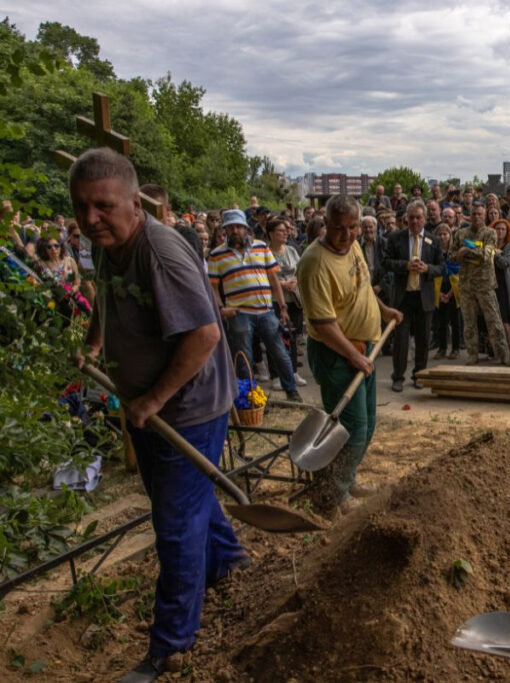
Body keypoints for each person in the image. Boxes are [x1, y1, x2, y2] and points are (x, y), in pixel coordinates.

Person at [69, 149, 245, 683]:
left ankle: (171, 645)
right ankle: (232, 563)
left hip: (187, 408)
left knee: (174, 526)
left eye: (103, 206)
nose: (91, 218)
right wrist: (94, 343)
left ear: (133, 200)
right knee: (186, 502)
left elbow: (205, 334)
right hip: (147, 405)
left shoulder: (160, 252)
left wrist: (152, 400)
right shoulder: (106, 244)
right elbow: (105, 296)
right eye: (82, 207)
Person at [296, 193, 402, 512]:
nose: (348, 234)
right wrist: (353, 356)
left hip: (364, 347)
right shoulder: (314, 263)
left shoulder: (353, 244)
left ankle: (347, 478)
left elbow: (362, 285)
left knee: (367, 425)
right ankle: (333, 496)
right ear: (325, 224)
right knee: (351, 429)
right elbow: (323, 324)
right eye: (340, 228)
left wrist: (383, 311)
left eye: (354, 227)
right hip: (338, 355)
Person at [207, 209, 302, 401]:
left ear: (245, 228)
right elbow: (213, 288)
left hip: (266, 310)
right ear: (225, 229)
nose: (235, 230)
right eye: (230, 227)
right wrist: (221, 308)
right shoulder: (217, 255)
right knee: (244, 358)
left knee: (280, 352)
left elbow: (274, 279)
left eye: (238, 227)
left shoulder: (261, 247)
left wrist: (282, 308)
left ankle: (291, 391)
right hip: (238, 313)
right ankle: (252, 398)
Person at [382, 200, 443, 391]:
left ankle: (419, 374)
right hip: (403, 296)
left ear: (425, 219)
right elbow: (386, 262)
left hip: (424, 296)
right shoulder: (395, 238)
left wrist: (427, 268)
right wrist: (405, 266)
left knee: (423, 338)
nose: (415, 221)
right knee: (400, 338)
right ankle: (398, 377)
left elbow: (441, 267)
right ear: (406, 219)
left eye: (418, 217)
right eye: (411, 217)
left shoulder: (434, 240)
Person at [450, 204, 510, 366]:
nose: (477, 217)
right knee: (469, 323)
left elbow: (487, 254)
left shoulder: (490, 233)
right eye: (474, 214)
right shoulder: (460, 233)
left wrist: (467, 249)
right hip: (466, 284)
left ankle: (504, 354)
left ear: (484, 216)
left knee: (494, 321)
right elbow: (452, 255)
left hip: (485, 284)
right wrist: (466, 252)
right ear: (470, 215)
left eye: (480, 214)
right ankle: (472, 354)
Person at [266, 217, 305, 385]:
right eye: (281, 231)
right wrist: (282, 284)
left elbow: (301, 268)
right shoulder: (264, 252)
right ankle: (276, 374)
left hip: (293, 298)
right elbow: (263, 275)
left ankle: (293, 371)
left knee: (293, 335)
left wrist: (295, 281)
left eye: (286, 230)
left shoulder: (291, 250)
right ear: (271, 234)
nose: (285, 233)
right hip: (274, 299)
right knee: (275, 335)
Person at [431, 223, 462, 360]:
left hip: (453, 288)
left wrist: (449, 293)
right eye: (440, 234)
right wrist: (439, 294)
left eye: (445, 234)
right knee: (440, 321)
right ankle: (442, 348)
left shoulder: (455, 252)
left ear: (450, 235)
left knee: (455, 320)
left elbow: (460, 272)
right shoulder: (433, 252)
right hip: (438, 287)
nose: (443, 237)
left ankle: (455, 348)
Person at [491, 218, 510, 349]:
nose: (500, 231)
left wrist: (493, 253)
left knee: (506, 318)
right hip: (490, 284)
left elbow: (505, 263)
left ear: (507, 232)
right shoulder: (488, 244)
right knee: (493, 319)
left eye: (503, 229)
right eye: (497, 229)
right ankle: (497, 350)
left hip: (504, 285)